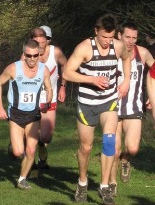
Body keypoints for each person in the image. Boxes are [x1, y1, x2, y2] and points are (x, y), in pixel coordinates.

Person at [62, 14, 131, 205]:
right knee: (86, 147)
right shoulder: (85, 48)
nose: (108, 42)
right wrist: (91, 79)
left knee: (109, 143)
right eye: (104, 37)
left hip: (109, 101)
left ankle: (104, 186)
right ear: (96, 32)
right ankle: (82, 183)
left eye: (111, 37)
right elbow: (67, 72)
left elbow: (127, 57)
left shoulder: (117, 46)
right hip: (87, 103)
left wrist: (126, 81)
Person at [0, 39, 53, 189]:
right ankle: (13, 145)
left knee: (31, 149)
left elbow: (49, 88)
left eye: (35, 55)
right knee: (18, 151)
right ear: (24, 54)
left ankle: (21, 179)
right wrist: (0, 108)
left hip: (33, 115)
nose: (32, 59)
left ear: (39, 54)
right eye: (29, 55)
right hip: (15, 115)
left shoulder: (43, 70)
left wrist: (47, 101)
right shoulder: (14, 68)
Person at [109, 22, 155, 197]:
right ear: (119, 35)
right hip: (112, 107)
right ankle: (112, 183)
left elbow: (154, 70)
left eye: (134, 37)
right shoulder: (111, 52)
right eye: (127, 37)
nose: (130, 41)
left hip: (134, 107)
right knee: (114, 150)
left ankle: (126, 160)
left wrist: (152, 92)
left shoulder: (142, 53)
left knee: (133, 148)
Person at [30, 26, 67, 172]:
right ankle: (31, 163)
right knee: (31, 132)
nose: (40, 42)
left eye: (44, 39)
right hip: (32, 99)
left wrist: (63, 86)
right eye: (36, 39)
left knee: (46, 136)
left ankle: (41, 150)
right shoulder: (29, 54)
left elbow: (65, 64)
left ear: (47, 40)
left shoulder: (55, 52)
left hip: (49, 98)